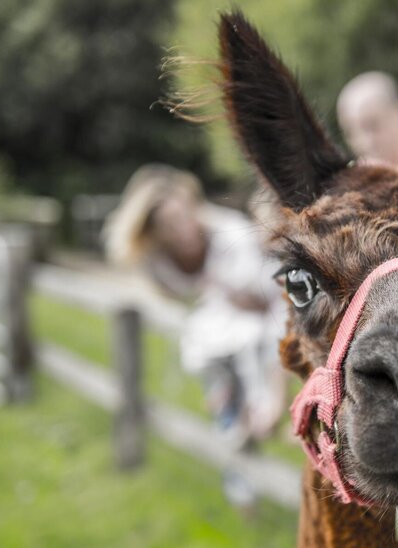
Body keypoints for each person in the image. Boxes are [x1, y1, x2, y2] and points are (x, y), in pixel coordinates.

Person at [103, 164, 286, 449]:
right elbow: (175, 295)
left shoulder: (231, 234)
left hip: (259, 322)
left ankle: (261, 409)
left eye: (183, 216)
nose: (182, 230)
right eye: (168, 225)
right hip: (214, 334)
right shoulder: (155, 260)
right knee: (211, 350)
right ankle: (233, 416)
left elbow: (269, 300)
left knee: (250, 342)